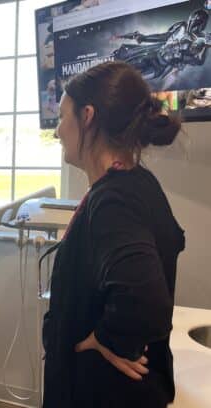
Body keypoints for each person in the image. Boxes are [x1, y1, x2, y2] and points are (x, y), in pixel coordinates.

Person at [44, 61, 185, 407]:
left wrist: (106, 338)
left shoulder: (113, 200)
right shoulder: (138, 182)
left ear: (87, 116)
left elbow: (144, 297)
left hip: (102, 393)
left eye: (63, 117)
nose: (57, 130)